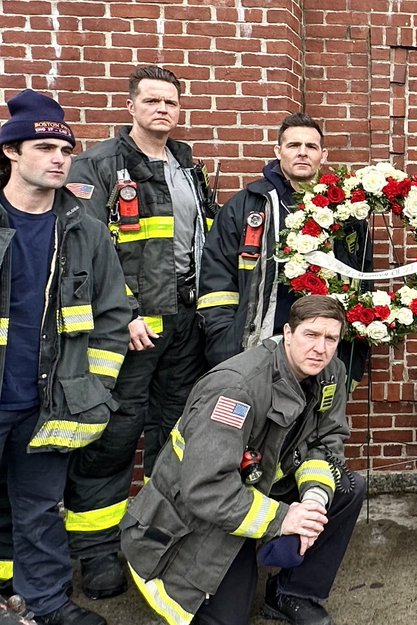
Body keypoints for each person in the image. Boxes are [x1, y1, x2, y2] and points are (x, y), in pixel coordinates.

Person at [62, 65, 218, 598]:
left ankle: (155, 538)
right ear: (131, 107)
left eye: (170, 102)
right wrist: (122, 313)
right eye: (151, 100)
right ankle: (96, 551)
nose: (162, 109)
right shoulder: (97, 165)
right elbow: (85, 250)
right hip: (130, 329)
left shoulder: (187, 166)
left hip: (184, 325)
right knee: (113, 437)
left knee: (174, 435)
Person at [120, 295, 365, 625]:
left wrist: (312, 503)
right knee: (228, 617)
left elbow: (327, 439)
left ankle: (293, 594)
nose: (320, 348)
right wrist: (282, 519)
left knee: (348, 487)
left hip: (259, 485)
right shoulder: (236, 389)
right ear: (288, 333)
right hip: (196, 512)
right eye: (311, 334)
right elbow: (207, 488)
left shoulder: (330, 373)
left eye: (331, 338)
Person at [0, 90, 130, 625]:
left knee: (39, 509)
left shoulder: (87, 231)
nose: (59, 159)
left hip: (50, 402)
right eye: (45, 147)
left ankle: (47, 603)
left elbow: (113, 314)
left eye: (66, 150)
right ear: (11, 151)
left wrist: (91, 390)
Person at [197, 113, 369, 380]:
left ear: (323, 155)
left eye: (311, 146)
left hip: (323, 352)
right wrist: (225, 342)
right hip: (257, 346)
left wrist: (352, 358)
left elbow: (362, 281)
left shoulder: (346, 213)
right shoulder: (245, 207)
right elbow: (216, 279)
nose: (302, 153)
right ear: (278, 151)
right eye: (293, 145)